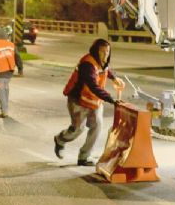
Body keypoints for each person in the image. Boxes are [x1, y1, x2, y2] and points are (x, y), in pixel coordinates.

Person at [53, 38, 125, 166]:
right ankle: (60, 139)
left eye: (107, 51)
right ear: (95, 51)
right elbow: (93, 85)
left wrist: (114, 78)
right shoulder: (87, 64)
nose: (105, 55)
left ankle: (84, 157)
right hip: (78, 100)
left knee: (97, 126)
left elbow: (105, 69)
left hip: (94, 101)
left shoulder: (102, 62)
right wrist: (111, 99)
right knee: (77, 130)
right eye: (102, 52)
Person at [0, 27, 23, 118]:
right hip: (9, 72)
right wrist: (20, 69)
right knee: (5, 88)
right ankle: (4, 108)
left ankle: (4, 111)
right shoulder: (11, 45)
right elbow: (18, 57)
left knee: (1, 90)